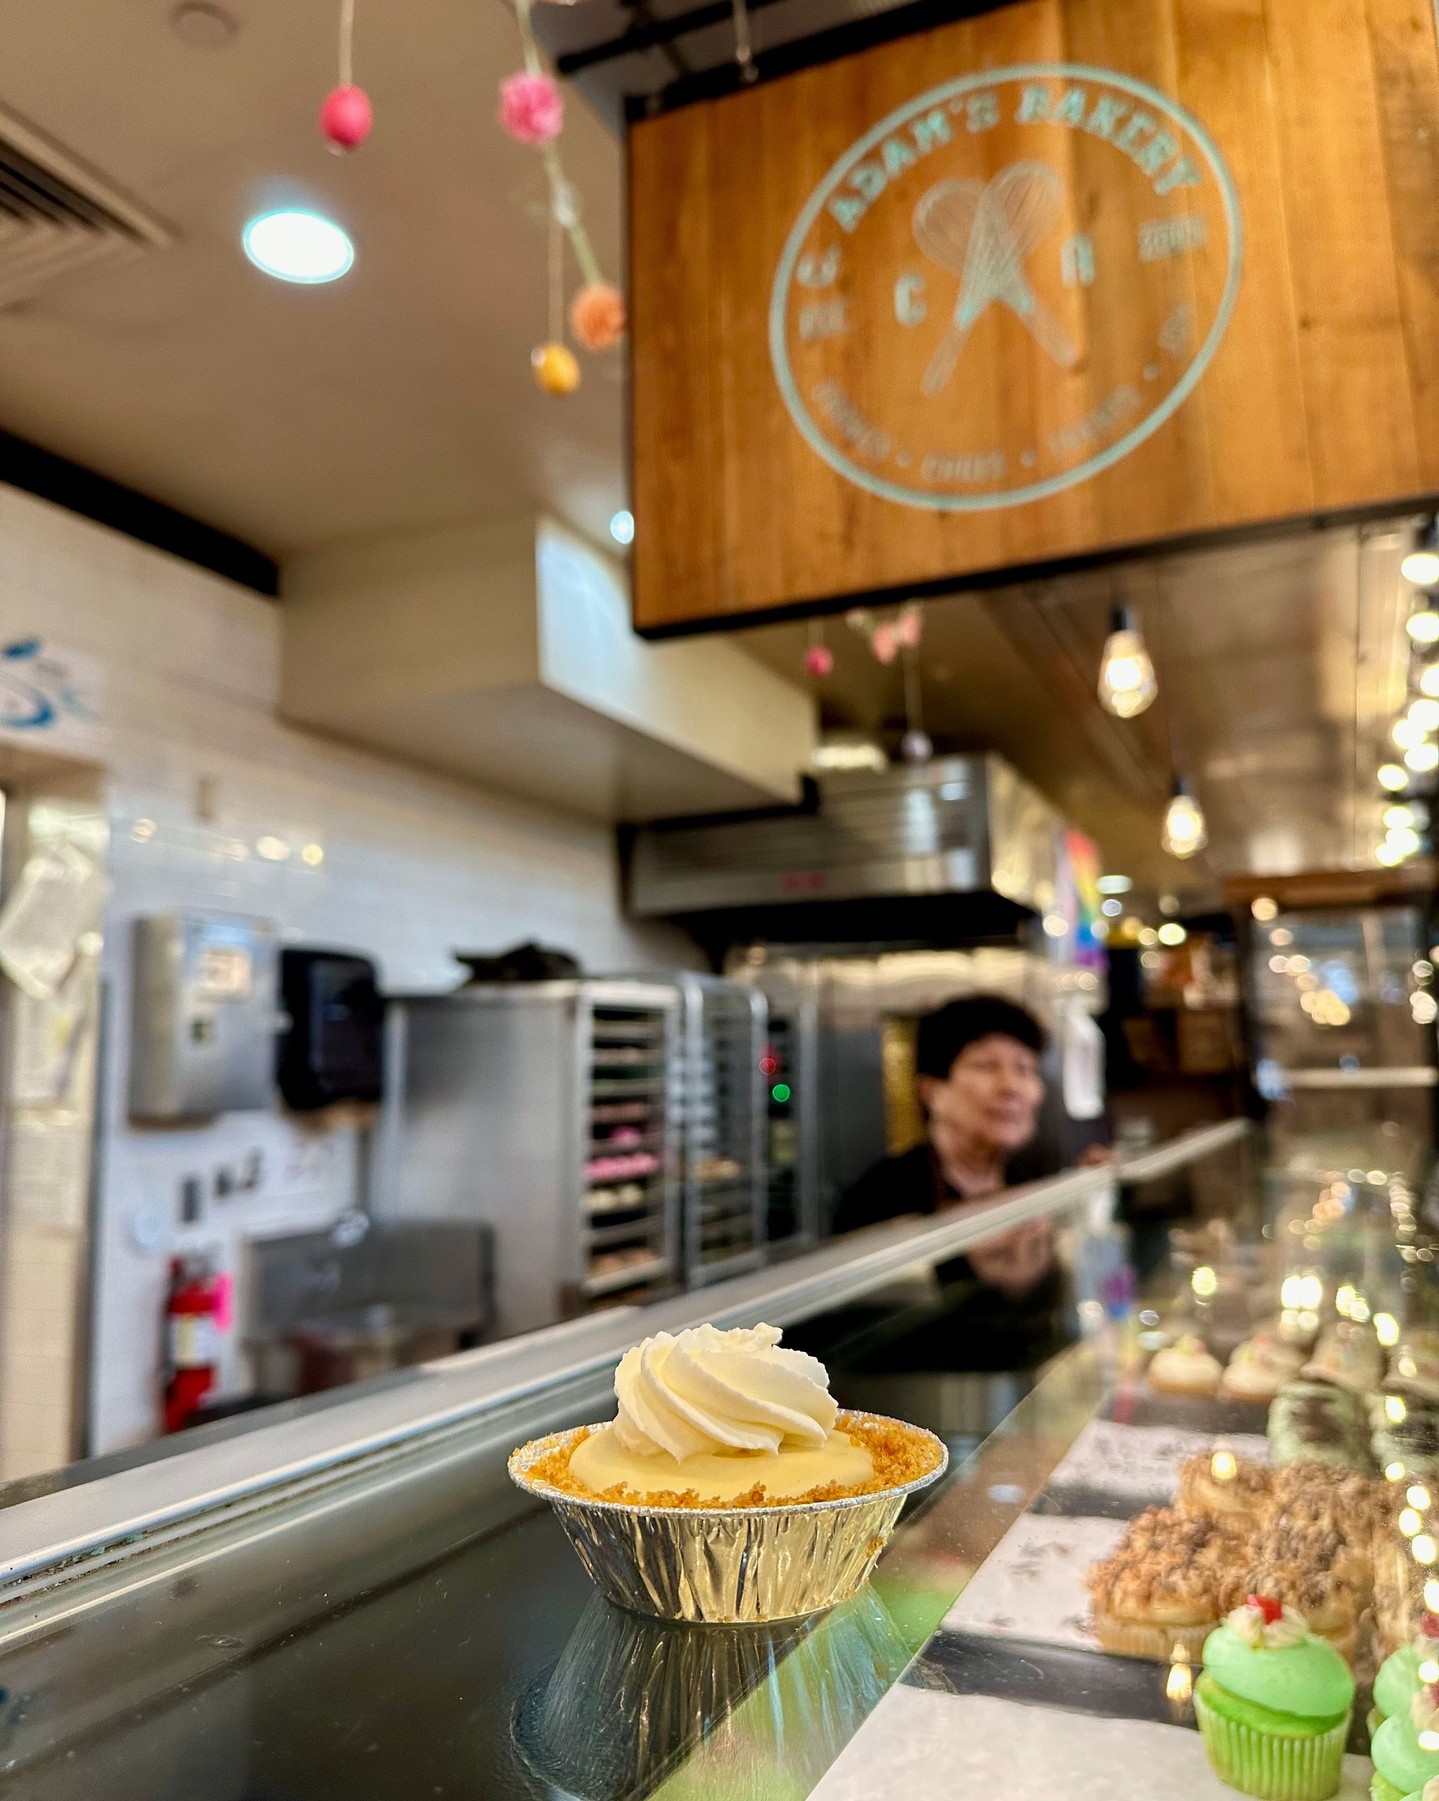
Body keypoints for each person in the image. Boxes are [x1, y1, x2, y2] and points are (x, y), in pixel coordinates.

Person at [834, 993, 1106, 1308]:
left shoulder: (1032, 1180)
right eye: (987, 1066)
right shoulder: (880, 1199)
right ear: (932, 1092)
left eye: (1025, 1068)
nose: (1011, 1087)